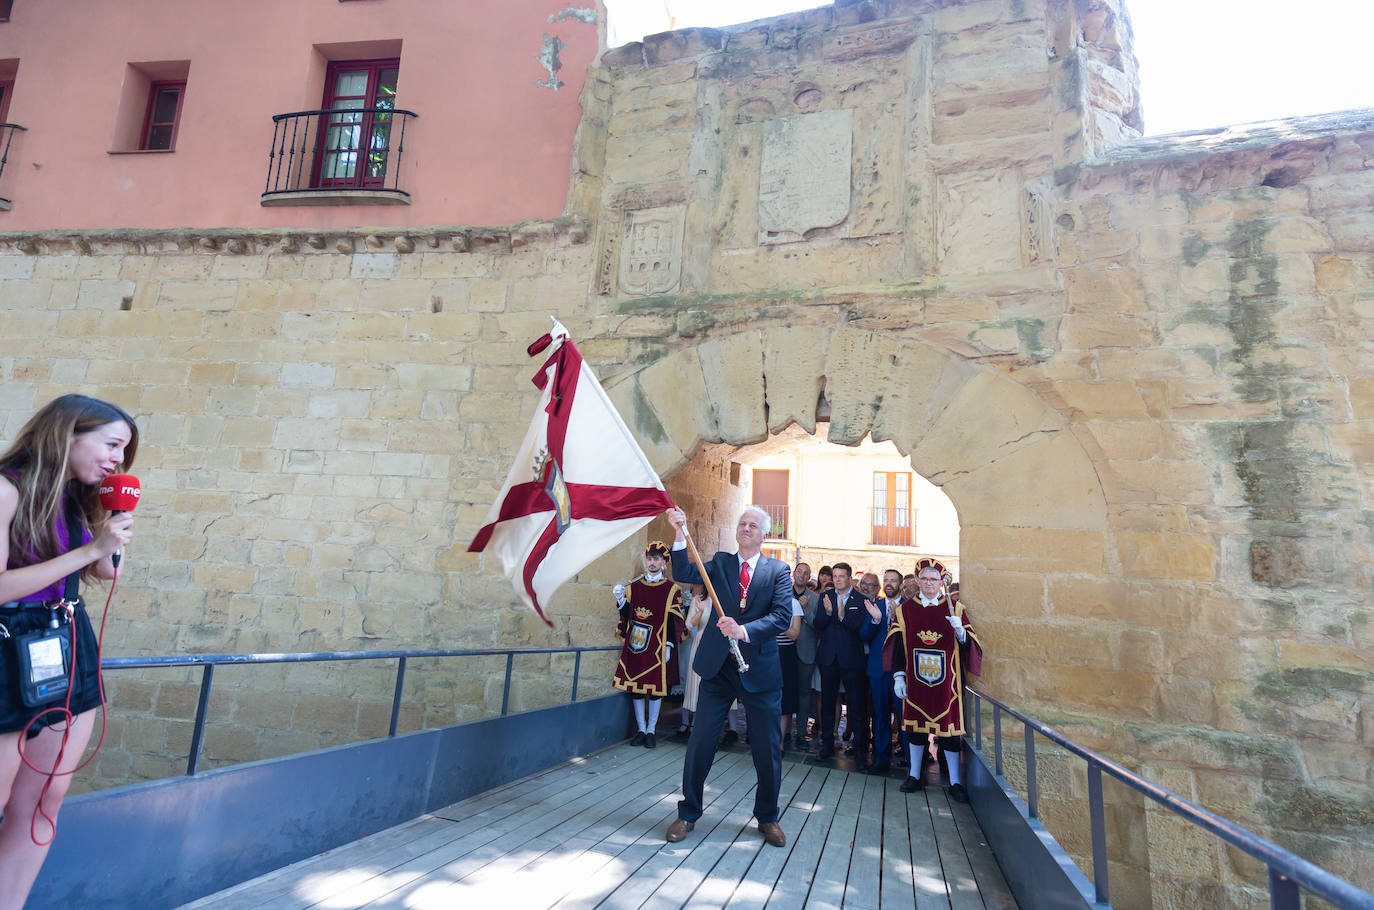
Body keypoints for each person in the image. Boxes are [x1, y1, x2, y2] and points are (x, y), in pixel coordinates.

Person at [0, 394, 137, 906]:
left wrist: (112, 524)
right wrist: (88, 549)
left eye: (123, 452)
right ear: (68, 433)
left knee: (45, 798)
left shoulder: (75, 500)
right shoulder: (6, 489)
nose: (117, 460)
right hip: (8, 644)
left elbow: (105, 573)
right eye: (112, 444)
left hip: (67, 643)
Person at [664, 505, 792, 848]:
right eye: (742, 524)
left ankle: (768, 816)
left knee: (766, 749)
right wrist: (679, 532)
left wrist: (743, 630)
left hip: (760, 671)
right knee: (701, 742)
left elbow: (780, 617)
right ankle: (688, 812)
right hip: (718, 670)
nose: (746, 528)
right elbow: (683, 570)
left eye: (753, 525)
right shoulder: (720, 563)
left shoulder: (778, 571)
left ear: (764, 534)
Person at [885, 558, 983, 802]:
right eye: (925, 579)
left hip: (947, 683)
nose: (929, 584)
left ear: (941, 582)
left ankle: (955, 782)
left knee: (949, 734)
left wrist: (961, 631)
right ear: (917, 581)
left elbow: (969, 645)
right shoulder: (905, 610)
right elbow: (898, 647)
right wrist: (899, 676)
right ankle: (915, 775)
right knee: (915, 729)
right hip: (916, 682)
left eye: (934, 579)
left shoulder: (955, 609)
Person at [612, 541, 685, 749]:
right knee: (635, 689)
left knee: (654, 690)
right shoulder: (633, 587)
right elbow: (627, 615)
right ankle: (641, 729)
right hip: (637, 644)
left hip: (658, 646)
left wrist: (670, 645)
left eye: (656, 559)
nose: (652, 562)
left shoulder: (672, 590)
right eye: (650, 558)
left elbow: (674, 620)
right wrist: (620, 601)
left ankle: (651, 730)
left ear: (664, 563)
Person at [813, 562, 870, 769]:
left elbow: (857, 627)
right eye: (835, 576)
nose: (837, 579)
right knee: (827, 704)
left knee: (857, 706)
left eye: (841, 576)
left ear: (849, 578)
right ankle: (826, 746)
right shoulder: (825, 597)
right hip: (828, 658)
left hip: (852, 660)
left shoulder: (861, 600)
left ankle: (860, 751)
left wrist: (839, 615)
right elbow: (818, 624)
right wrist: (827, 614)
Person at [860, 569, 903, 775]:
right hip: (878, 669)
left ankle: (911, 760)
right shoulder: (874, 606)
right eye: (886, 580)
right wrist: (876, 620)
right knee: (880, 714)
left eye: (893, 581)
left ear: (900, 585)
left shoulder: (909, 607)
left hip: (902, 671)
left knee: (905, 716)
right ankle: (881, 758)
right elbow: (864, 635)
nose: (888, 583)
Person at [790, 562, 821, 750]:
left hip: (806, 652)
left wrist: (804, 610)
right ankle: (783, 732)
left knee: (803, 695)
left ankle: (801, 733)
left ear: (809, 577)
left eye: (805, 573)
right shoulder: (783, 593)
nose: (802, 575)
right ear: (794, 573)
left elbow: (818, 625)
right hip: (784, 650)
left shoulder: (815, 598)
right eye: (799, 571)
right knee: (784, 692)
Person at [676, 584, 708, 737]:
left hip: (713, 643)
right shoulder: (696, 600)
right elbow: (688, 624)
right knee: (691, 683)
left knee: (706, 686)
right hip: (694, 642)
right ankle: (686, 721)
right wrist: (700, 610)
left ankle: (700, 722)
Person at [776, 589, 804, 755]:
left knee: (784, 700)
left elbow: (794, 634)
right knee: (763, 697)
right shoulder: (764, 600)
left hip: (786, 654)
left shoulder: (793, 604)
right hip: (765, 652)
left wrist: (777, 623)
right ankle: (764, 740)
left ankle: (778, 743)